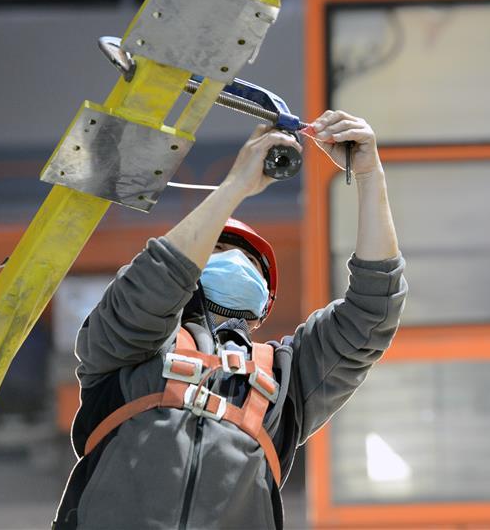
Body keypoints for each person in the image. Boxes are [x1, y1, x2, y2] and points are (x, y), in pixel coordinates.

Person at [53, 111, 407, 529]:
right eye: (218, 248)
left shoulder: (286, 382)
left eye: (251, 261)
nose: (237, 260)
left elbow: (372, 312)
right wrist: (236, 186)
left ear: (264, 303)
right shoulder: (131, 346)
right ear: (191, 271)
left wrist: (369, 175)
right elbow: (156, 280)